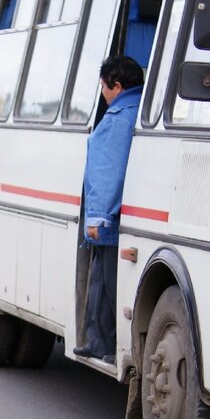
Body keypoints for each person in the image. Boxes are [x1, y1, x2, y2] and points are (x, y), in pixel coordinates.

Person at [73, 55, 144, 364]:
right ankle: (102, 341)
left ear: (116, 85)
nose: (102, 92)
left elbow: (107, 171)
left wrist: (98, 216)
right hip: (128, 211)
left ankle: (101, 343)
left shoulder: (118, 116)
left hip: (109, 218)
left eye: (104, 86)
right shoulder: (141, 109)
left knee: (103, 282)